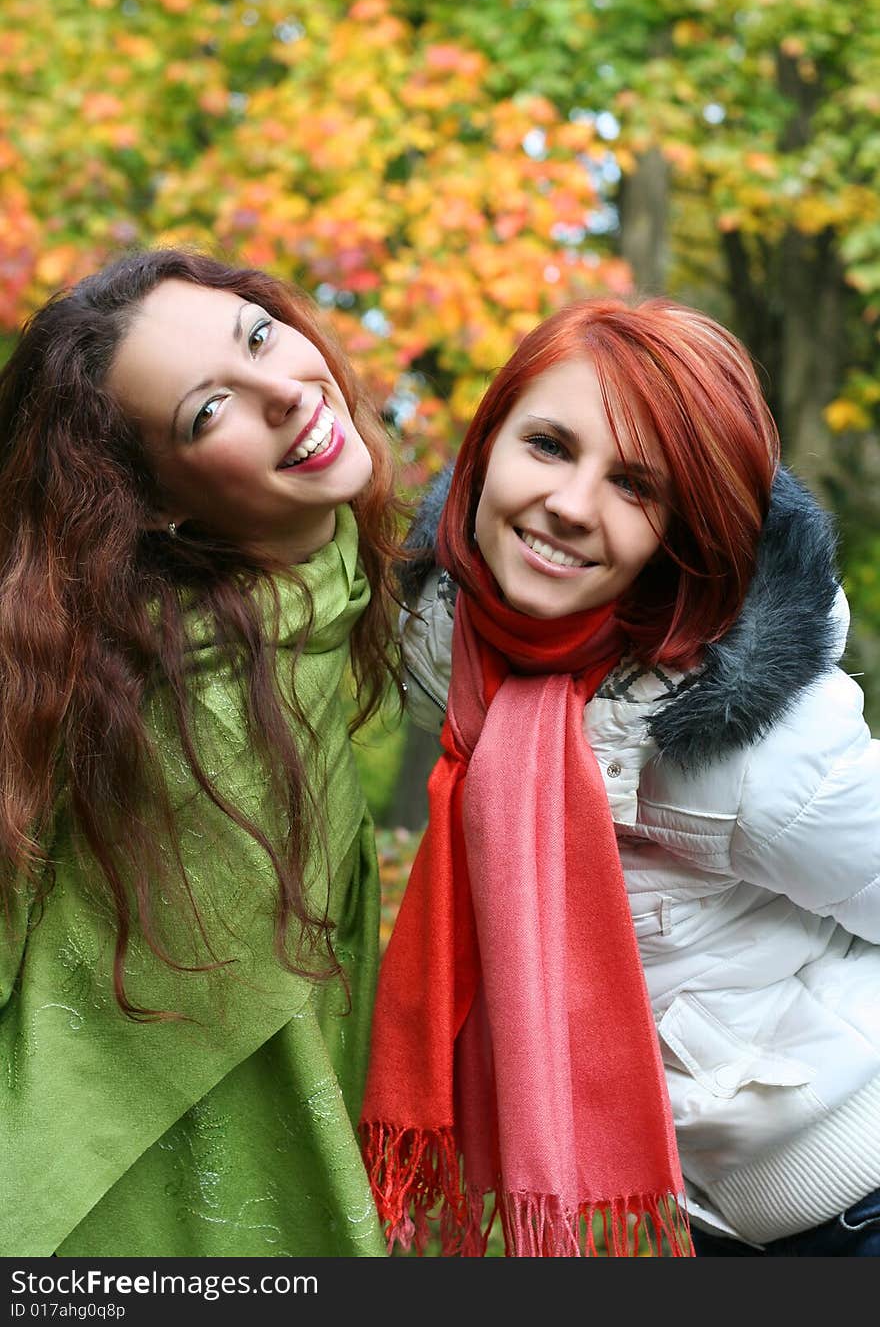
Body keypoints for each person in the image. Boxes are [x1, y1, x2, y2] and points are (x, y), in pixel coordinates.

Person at [360, 297, 880, 1257]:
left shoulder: (750, 750)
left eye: (635, 486)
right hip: (708, 1221)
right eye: (549, 445)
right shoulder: (446, 638)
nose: (569, 503)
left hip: (850, 1197)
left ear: (688, 528)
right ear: (486, 445)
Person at [0, 247, 403, 1257]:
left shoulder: (349, 603)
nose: (284, 390)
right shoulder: (112, 694)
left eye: (260, 336)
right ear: (158, 505)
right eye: (206, 411)